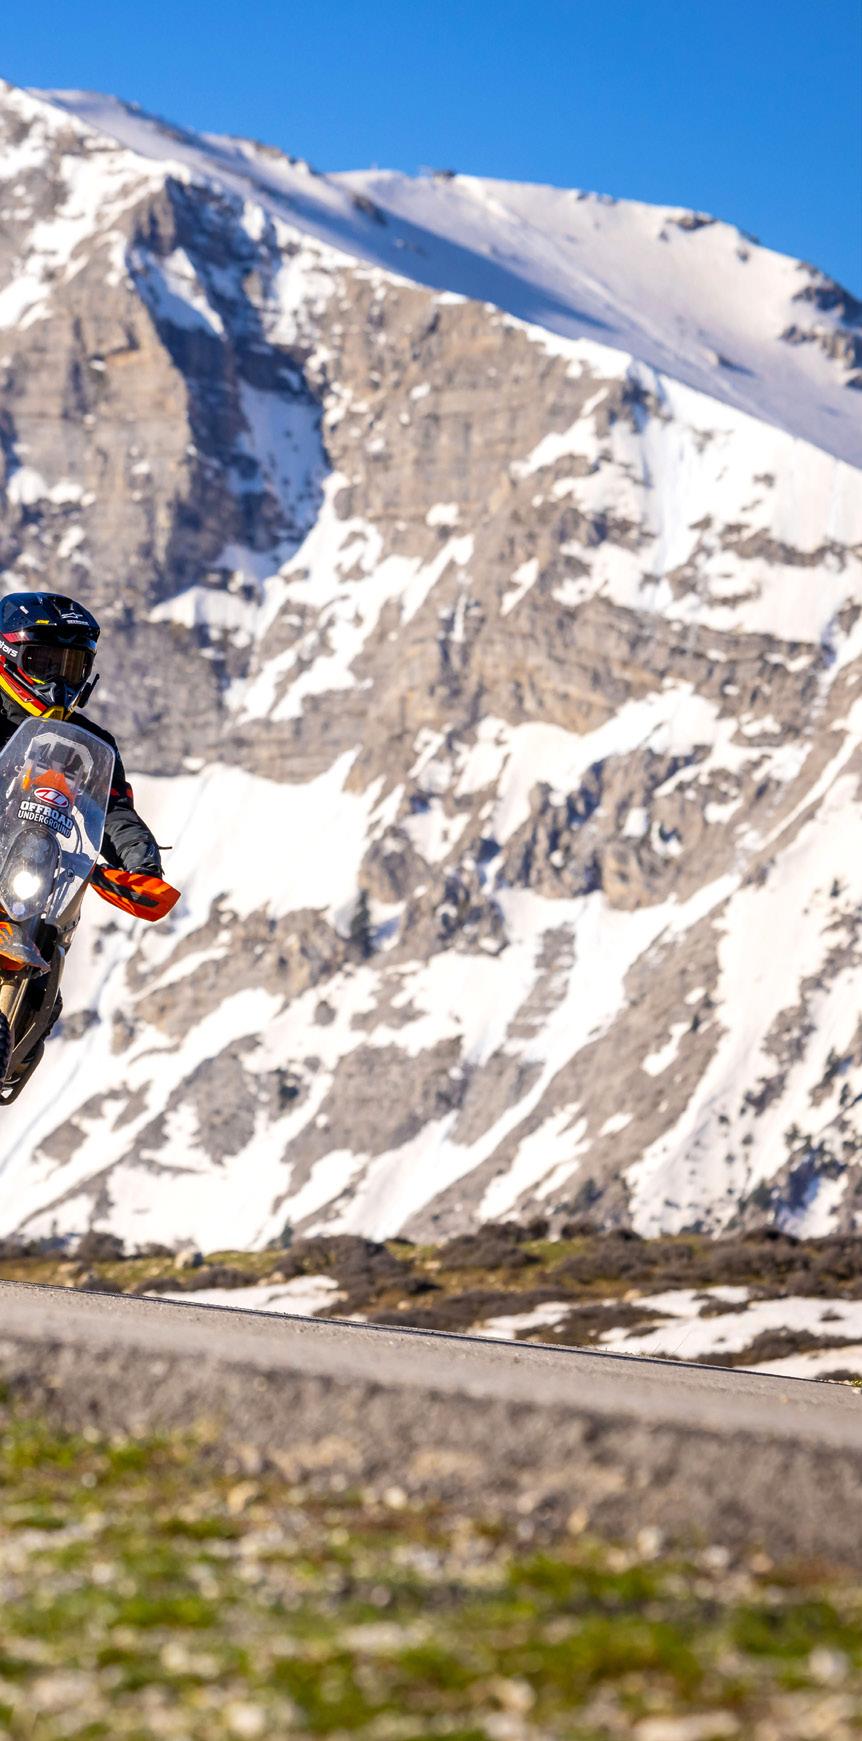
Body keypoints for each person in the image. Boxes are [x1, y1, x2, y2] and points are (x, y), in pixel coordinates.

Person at [0, 591, 165, 1094]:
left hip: (33, 876)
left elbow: (112, 809)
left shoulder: (87, 745)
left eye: (71, 666)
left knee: (47, 979)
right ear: (8, 655)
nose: (57, 680)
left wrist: (140, 860)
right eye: (43, 662)